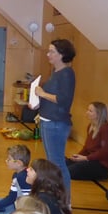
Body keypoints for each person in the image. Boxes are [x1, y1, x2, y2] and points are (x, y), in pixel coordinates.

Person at [34, 39, 76, 201]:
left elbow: (64, 100)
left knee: (58, 163)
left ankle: (65, 200)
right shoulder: (56, 72)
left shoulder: (67, 73)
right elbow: (51, 98)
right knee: (52, 163)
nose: (48, 54)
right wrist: (39, 108)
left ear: (62, 55)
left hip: (57, 124)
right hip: (48, 120)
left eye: (52, 51)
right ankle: (56, 196)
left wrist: (42, 94)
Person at [66, 102, 108, 180]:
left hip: (101, 165)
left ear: (98, 114)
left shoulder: (106, 129)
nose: (87, 112)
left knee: (69, 171)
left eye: (90, 111)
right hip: (91, 159)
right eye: (88, 110)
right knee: (65, 163)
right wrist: (77, 156)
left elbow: (106, 151)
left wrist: (86, 158)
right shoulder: (90, 127)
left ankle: (101, 175)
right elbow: (87, 148)